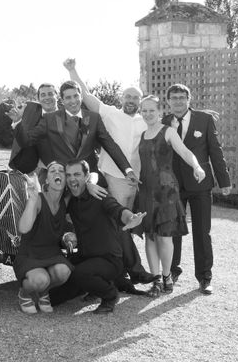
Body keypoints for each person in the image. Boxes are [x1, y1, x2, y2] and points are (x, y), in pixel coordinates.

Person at [64, 58, 155, 287]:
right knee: (117, 221)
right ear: (122, 98)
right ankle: (130, 271)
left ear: (140, 100)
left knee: (128, 224)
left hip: (135, 181)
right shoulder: (110, 113)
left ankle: (128, 270)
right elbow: (84, 95)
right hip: (110, 176)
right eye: (128, 96)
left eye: (136, 97)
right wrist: (72, 70)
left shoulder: (147, 121)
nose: (131, 100)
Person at [50, 160, 145, 314]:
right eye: (68, 175)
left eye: (77, 174)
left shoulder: (99, 195)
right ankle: (91, 288)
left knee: (80, 273)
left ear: (86, 176)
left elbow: (117, 209)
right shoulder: (70, 198)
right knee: (53, 297)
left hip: (109, 260)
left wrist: (130, 218)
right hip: (85, 257)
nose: (72, 178)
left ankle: (110, 295)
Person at [162, 84, 231, 295]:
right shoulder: (161, 122)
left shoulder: (204, 119)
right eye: (174, 98)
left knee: (202, 232)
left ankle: (204, 277)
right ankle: (172, 270)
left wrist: (224, 180)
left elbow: (215, 151)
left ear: (189, 99)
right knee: (173, 231)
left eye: (182, 97)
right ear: (168, 101)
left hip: (200, 185)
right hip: (173, 185)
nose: (178, 101)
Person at [138, 96, 206, 296]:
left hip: (166, 191)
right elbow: (139, 163)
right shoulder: (142, 135)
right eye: (144, 111)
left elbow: (185, 152)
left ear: (159, 112)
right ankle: (156, 279)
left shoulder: (168, 131)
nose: (148, 114)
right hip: (146, 192)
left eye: (152, 110)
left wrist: (197, 166)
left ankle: (167, 275)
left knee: (164, 237)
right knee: (150, 237)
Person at [15, 80, 138, 184]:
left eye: (75, 96)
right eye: (68, 97)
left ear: (81, 97)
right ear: (62, 100)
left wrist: (127, 170)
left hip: (90, 178)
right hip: (62, 180)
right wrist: (17, 122)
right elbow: (27, 140)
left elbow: (110, 145)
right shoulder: (50, 119)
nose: (73, 101)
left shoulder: (94, 118)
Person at [14, 162, 73, 314]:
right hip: (30, 253)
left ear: (66, 179)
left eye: (61, 171)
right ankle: (24, 293)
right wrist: (32, 200)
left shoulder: (65, 201)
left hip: (52, 253)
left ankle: (43, 292)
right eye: (52, 171)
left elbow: (90, 177)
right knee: (41, 279)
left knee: (63, 272)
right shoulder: (39, 199)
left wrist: (91, 184)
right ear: (46, 180)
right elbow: (23, 228)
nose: (57, 173)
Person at [7, 82, 59, 175]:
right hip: (27, 167)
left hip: (56, 169)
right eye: (43, 95)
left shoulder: (66, 116)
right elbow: (8, 107)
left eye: (50, 94)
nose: (47, 97)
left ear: (57, 96)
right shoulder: (29, 108)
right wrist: (17, 121)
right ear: (39, 98)